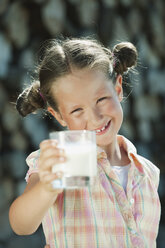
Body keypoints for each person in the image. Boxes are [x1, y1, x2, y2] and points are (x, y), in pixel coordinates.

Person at [9, 37, 161, 247]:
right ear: (59, 115)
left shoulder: (147, 173)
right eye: (77, 110)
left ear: (118, 89)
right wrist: (47, 187)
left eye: (101, 100)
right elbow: (21, 225)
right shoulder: (62, 162)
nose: (95, 117)